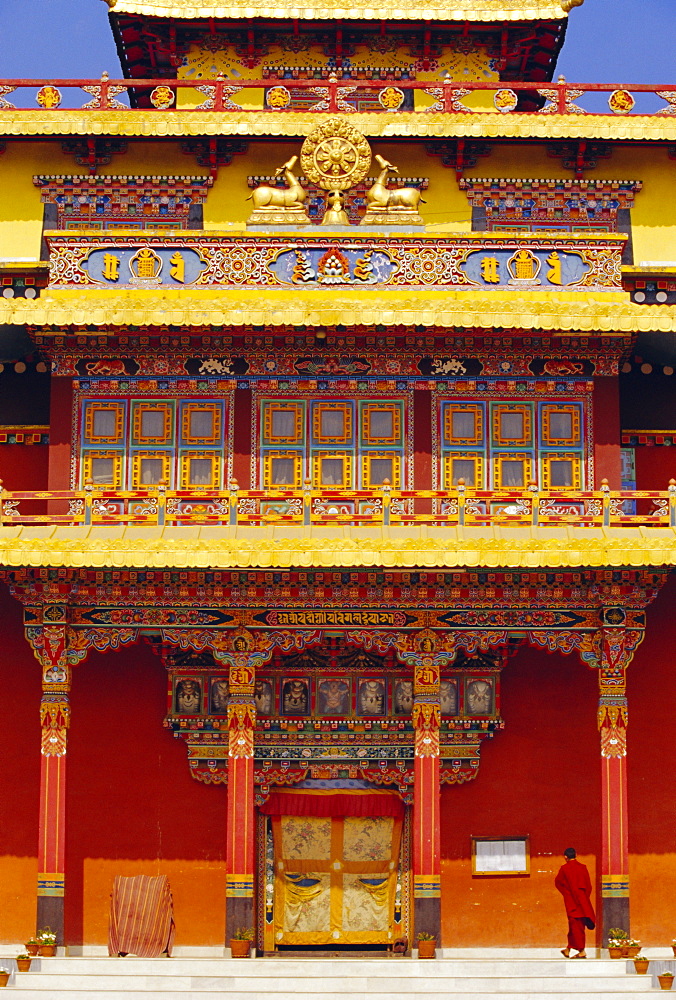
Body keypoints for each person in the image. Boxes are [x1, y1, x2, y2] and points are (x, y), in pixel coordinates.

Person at [555, 847, 596, 959]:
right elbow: (588, 886)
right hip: (583, 901)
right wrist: (584, 897)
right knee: (577, 927)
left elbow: (558, 883)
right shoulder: (583, 868)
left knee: (575, 926)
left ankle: (581, 951)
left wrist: (567, 894)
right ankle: (568, 949)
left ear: (565, 857)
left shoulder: (564, 868)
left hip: (572, 902)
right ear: (576, 855)